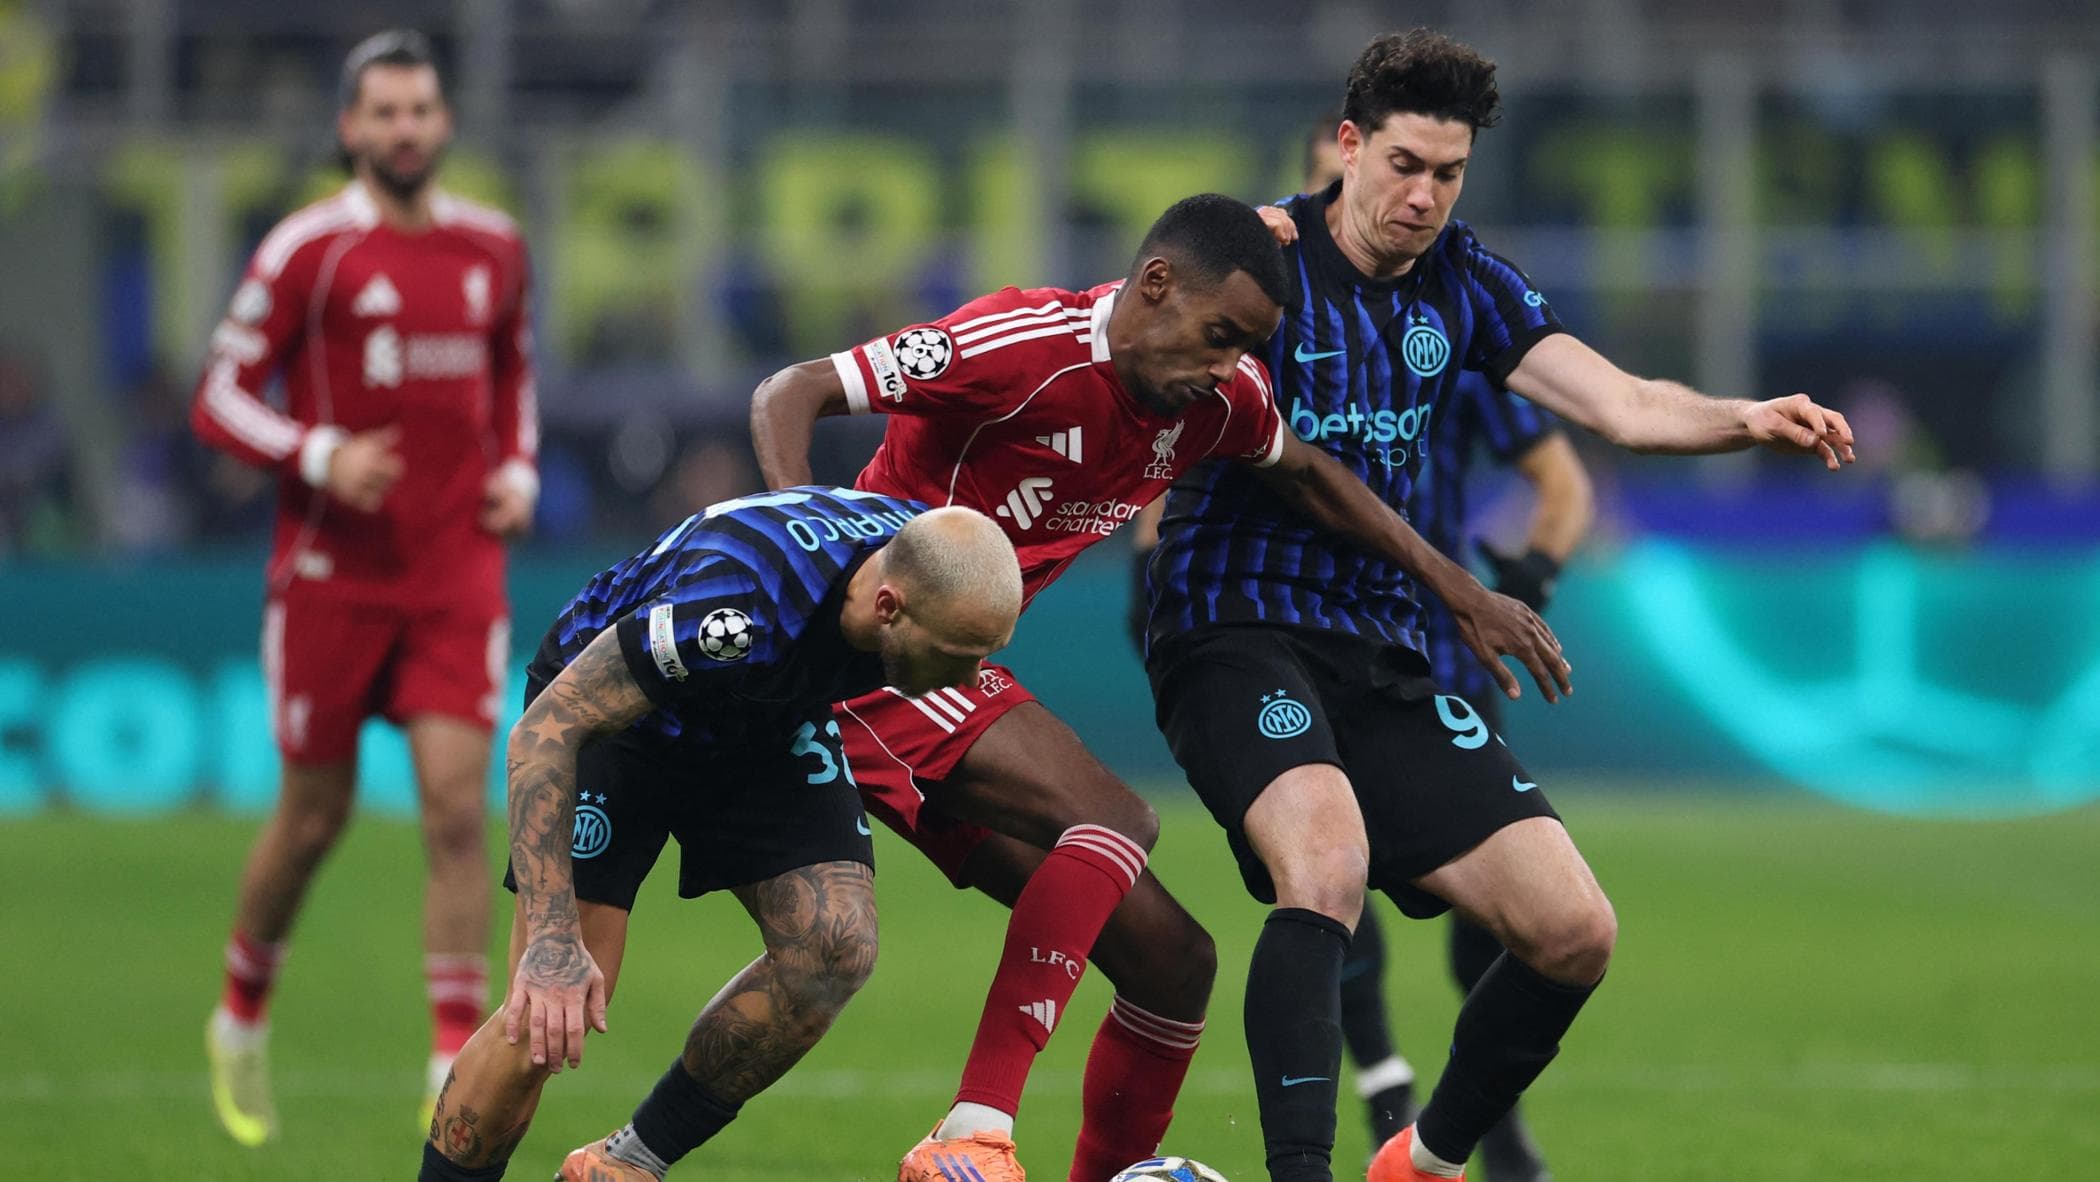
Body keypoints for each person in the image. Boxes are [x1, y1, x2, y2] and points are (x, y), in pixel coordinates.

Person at [1144, 30, 1854, 1182]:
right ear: (1348, 146)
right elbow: (1158, 366)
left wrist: (1745, 417)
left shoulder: (1466, 283)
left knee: (1575, 930)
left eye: (1449, 172)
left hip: (1379, 647)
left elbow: (1622, 405)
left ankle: (1421, 1164)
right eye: (1404, 165)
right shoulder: (1262, 260)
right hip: (1234, 625)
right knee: (1326, 866)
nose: (1424, 196)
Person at [751, 193, 1563, 1182]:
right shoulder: (1020, 344)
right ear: (1156, 285)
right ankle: (972, 1131)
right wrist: (809, 554)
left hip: (953, 678)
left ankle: (632, 1155)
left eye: (1248, 347)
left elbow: (1313, 476)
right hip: (878, 655)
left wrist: (1460, 590)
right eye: (1221, 337)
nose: (1229, 367)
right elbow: (791, 389)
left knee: (1174, 963)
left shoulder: (1217, 400)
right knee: (1116, 820)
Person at [417, 490, 1024, 1182]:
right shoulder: (737, 606)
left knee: (833, 945)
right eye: (956, 654)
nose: (970, 679)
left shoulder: (922, 554)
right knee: (547, 1017)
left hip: (761, 716)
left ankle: (623, 1166)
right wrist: (552, 939)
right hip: (619, 724)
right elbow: (544, 732)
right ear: (888, 607)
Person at [190, 28, 537, 1144]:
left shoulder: (493, 247)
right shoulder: (309, 251)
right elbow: (220, 394)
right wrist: (318, 453)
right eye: (384, 112)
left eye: (420, 110)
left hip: (453, 572)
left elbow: (514, 373)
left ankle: (450, 1065)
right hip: (331, 578)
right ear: (350, 128)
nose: (405, 129)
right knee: (311, 819)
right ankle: (241, 1016)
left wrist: (519, 468)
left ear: (445, 121)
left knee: (455, 809)